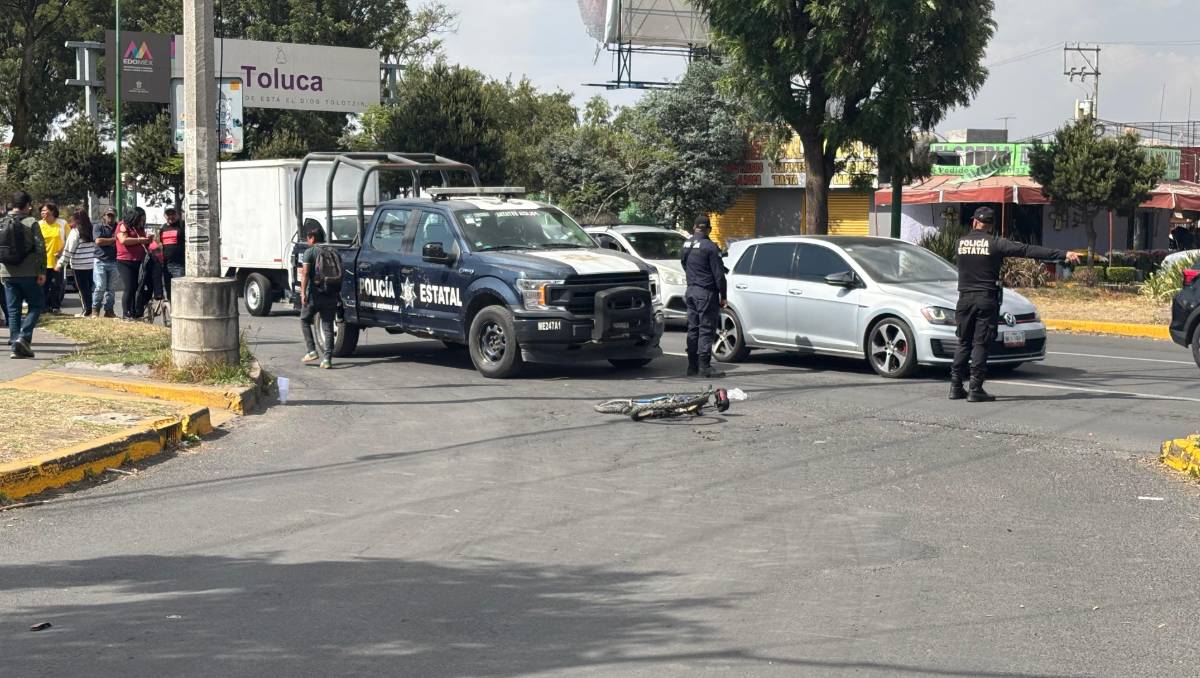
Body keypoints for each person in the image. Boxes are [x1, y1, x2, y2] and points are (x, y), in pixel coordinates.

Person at [952, 206, 1080, 402]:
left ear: (974, 222)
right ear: (991, 225)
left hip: (964, 299)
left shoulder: (960, 243)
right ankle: (975, 388)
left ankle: (955, 386)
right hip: (986, 299)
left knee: (963, 342)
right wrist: (1063, 254)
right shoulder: (996, 243)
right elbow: (1027, 250)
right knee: (980, 343)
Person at [1, 191, 47, 358]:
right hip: (28, 272)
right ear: (27, 205)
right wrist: (42, 271)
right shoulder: (32, 222)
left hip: (7, 272)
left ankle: (15, 345)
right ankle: (24, 337)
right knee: (37, 304)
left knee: (13, 310)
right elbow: (40, 247)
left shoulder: (2, 221)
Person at [680, 215, 727, 378]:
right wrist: (723, 296)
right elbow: (719, 275)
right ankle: (704, 367)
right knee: (706, 329)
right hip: (706, 293)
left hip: (691, 291)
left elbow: (684, 264)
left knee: (693, 329)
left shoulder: (686, 244)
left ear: (694, 227)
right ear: (709, 229)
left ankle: (691, 366)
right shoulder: (710, 247)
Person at [298, 223, 337, 369]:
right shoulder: (333, 251)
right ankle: (327, 359)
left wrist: (303, 293)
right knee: (327, 326)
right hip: (331, 294)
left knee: (304, 319)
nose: (307, 240)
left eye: (307, 238)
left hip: (315, 294)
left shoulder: (310, 252)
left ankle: (312, 350)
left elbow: (306, 273)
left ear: (312, 238)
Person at [56, 209, 97, 317]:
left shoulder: (76, 232)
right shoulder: (92, 230)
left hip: (79, 265)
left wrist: (61, 263)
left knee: (82, 290)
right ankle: (91, 309)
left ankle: (86, 311)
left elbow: (69, 250)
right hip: (91, 264)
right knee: (89, 288)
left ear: (76, 220)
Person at [115, 207, 151, 320]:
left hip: (138, 260)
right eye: (141, 218)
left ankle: (134, 311)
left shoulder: (139, 228)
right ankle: (126, 313)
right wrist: (141, 240)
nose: (142, 220)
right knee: (129, 286)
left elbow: (143, 243)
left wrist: (148, 241)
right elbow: (123, 240)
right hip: (124, 261)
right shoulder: (123, 225)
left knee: (136, 286)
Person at [37, 202, 67, 313]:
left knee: (56, 285)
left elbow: (69, 240)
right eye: (42, 211)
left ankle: (55, 307)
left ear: (53, 212)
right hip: (43, 260)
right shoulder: (39, 224)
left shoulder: (62, 223)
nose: (43, 213)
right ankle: (43, 307)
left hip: (57, 260)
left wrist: (62, 250)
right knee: (43, 285)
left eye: (46, 211)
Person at [92, 209, 119, 317]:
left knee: (111, 289)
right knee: (100, 286)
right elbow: (98, 241)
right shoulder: (98, 226)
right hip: (100, 260)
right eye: (108, 215)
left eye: (112, 216)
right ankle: (95, 309)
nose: (110, 218)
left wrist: (106, 241)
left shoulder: (118, 227)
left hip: (114, 261)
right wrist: (114, 239)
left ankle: (109, 310)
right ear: (104, 216)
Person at [159, 207, 185, 302]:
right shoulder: (162, 228)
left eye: (173, 214)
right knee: (169, 292)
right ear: (165, 216)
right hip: (166, 266)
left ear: (177, 215)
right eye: (168, 214)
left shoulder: (182, 226)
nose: (171, 216)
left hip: (179, 265)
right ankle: (173, 314)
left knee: (180, 292)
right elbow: (161, 244)